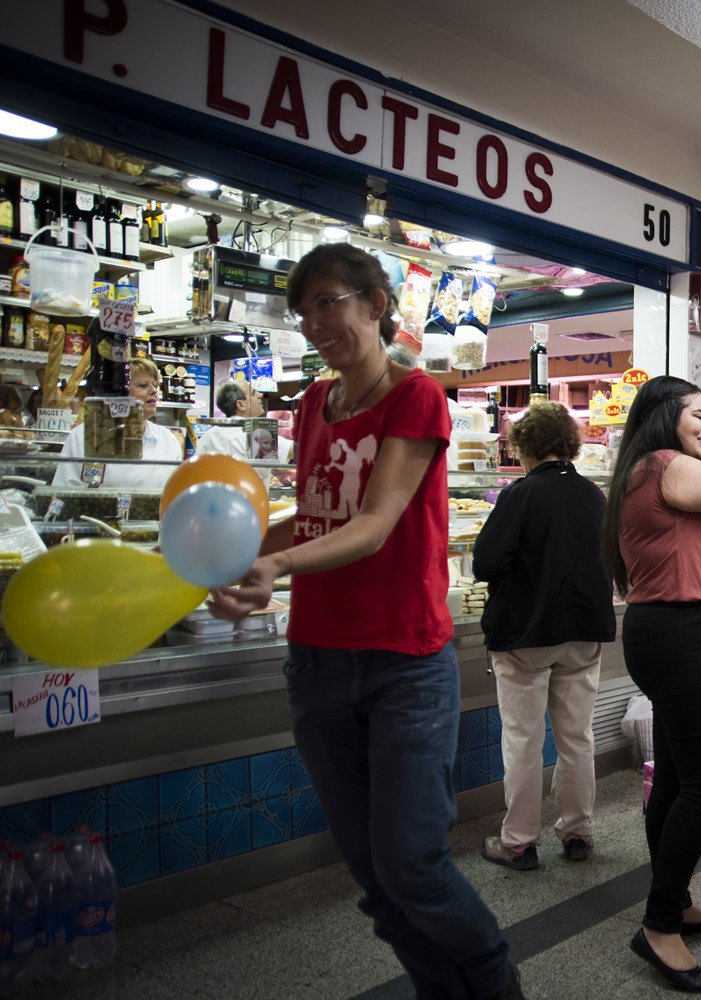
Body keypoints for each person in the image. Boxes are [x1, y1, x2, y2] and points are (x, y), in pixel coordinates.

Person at [206, 243, 524, 1000]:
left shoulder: (416, 396)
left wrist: (276, 568)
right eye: (304, 309)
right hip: (315, 663)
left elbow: (377, 522)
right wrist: (237, 551)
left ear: (375, 303)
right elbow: (317, 516)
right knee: (376, 881)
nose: (316, 322)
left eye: (330, 302)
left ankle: (493, 983)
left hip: (402, 663)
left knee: (412, 863)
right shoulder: (314, 404)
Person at [601, 374, 701, 994]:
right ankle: (660, 925)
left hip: (678, 635)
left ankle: (673, 897)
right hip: (684, 636)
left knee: (673, 779)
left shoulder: (645, 470)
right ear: (665, 416)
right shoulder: (667, 465)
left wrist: (696, 441)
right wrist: (697, 447)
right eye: (697, 413)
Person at [472, 400, 616, 872]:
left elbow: (485, 564)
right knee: (577, 737)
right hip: (583, 632)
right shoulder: (594, 496)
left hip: (525, 634)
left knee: (523, 739)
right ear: (570, 445)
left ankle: (518, 841)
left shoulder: (521, 494)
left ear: (524, 448)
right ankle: (577, 833)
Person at [52, 357, 182, 489]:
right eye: (143, 385)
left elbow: (177, 492)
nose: (154, 390)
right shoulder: (83, 436)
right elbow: (64, 491)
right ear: (118, 392)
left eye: (155, 385)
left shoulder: (167, 440)